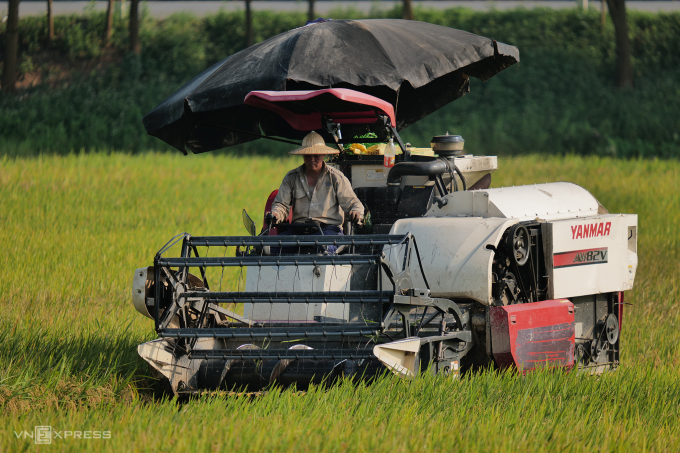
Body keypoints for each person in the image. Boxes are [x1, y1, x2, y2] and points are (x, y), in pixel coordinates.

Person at [268, 131, 364, 251]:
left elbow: (354, 204)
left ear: (323, 155)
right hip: (298, 230)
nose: (312, 159)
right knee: (272, 248)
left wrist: (356, 212)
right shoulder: (291, 177)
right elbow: (281, 204)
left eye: (316, 155)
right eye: (308, 155)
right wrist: (275, 215)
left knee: (323, 248)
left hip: (328, 230)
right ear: (303, 155)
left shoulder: (336, 178)